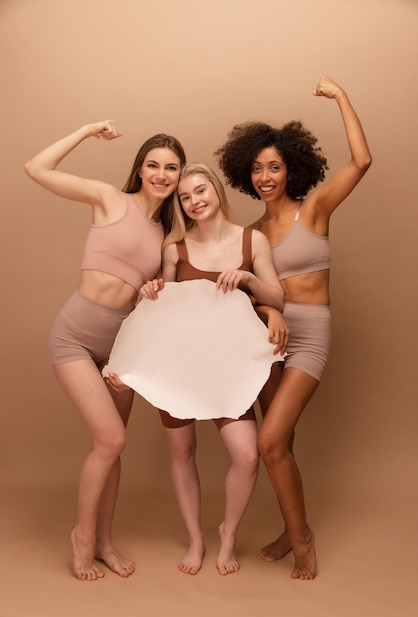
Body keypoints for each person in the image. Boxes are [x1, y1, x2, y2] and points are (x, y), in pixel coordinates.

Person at [215, 76, 372, 580]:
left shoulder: (316, 209)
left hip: (311, 335)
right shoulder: (252, 234)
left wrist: (341, 97)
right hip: (269, 338)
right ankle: (289, 527)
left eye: (274, 167)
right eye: (257, 169)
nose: (265, 176)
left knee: (269, 441)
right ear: (247, 174)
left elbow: (362, 162)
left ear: (291, 169)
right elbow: (248, 292)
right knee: (285, 441)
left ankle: (302, 539)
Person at [24, 121, 186, 581]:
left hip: (122, 350)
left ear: (178, 176)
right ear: (139, 169)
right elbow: (35, 167)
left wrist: (153, 288)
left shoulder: (168, 233)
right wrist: (86, 131)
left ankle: (103, 542)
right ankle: (81, 535)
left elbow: (161, 301)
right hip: (75, 338)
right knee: (112, 439)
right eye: (153, 164)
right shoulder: (109, 199)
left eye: (170, 168)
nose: (161, 173)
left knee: (110, 447)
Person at [139, 162, 287, 576]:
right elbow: (158, 309)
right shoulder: (175, 249)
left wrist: (247, 279)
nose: (193, 201)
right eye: (185, 197)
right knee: (182, 452)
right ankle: (196, 540)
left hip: (230, 369)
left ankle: (228, 533)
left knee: (247, 456)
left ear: (217, 191)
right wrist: (151, 290)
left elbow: (277, 297)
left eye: (200, 191)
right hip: (179, 365)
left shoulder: (252, 241)